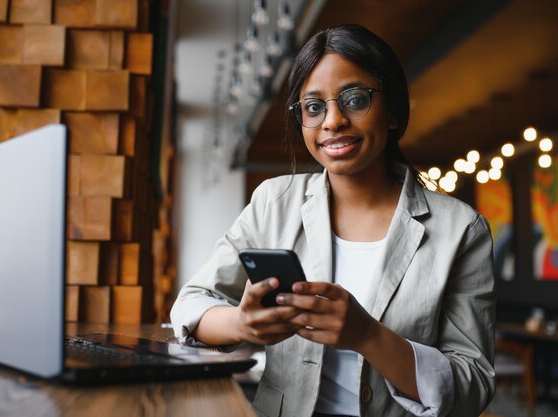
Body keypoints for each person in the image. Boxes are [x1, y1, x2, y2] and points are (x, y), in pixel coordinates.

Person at [170, 24, 495, 417]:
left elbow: (474, 384)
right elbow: (191, 304)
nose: (333, 121)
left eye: (355, 99)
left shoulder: (461, 230)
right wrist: (242, 324)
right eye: (313, 106)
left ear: (392, 111)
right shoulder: (273, 202)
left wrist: (369, 336)